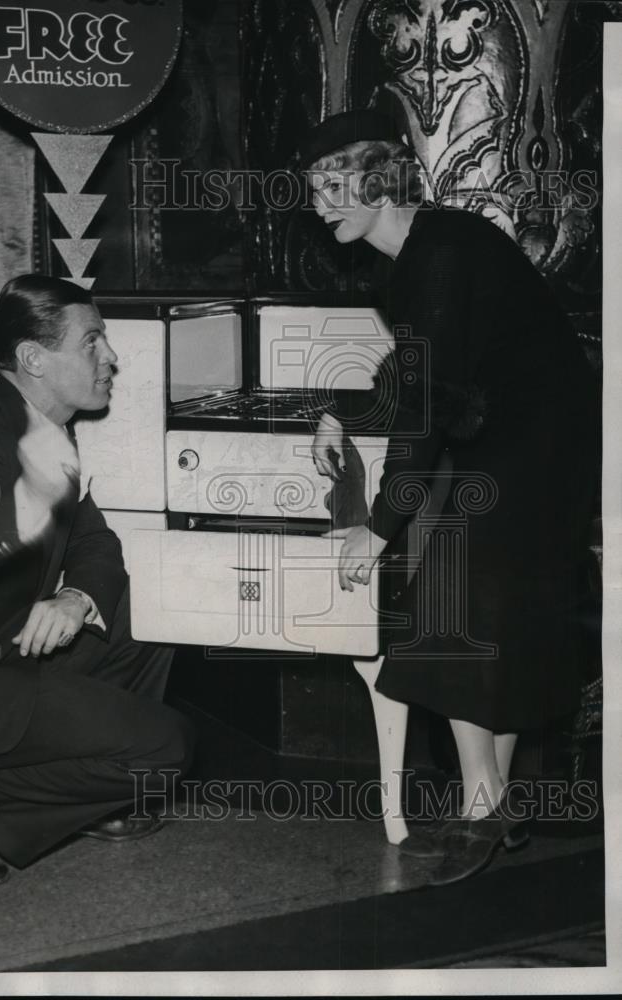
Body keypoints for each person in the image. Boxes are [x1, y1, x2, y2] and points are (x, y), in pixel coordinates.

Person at [303, 110, 598, 885]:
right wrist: (341, 412)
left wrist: (379, 526)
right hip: (537, 442)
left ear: (375, 180)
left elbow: (426, 401)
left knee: (453, 609)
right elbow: (414, 376)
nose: (320, 204)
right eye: (313, 190)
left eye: (334, 186)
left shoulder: (436, 255)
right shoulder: (425, 249)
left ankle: (481, 807)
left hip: (534, 445)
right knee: (488, 624)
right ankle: (489, 807)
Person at [0, 274, 194, 887]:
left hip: (6, 657)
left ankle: (93, 793)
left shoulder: (46, 432)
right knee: (167, 750)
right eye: (92, 343)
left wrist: (75, 597)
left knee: (158, 603)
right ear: (33, 359)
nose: (111, 358)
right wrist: (26, 510)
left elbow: (97, 545)